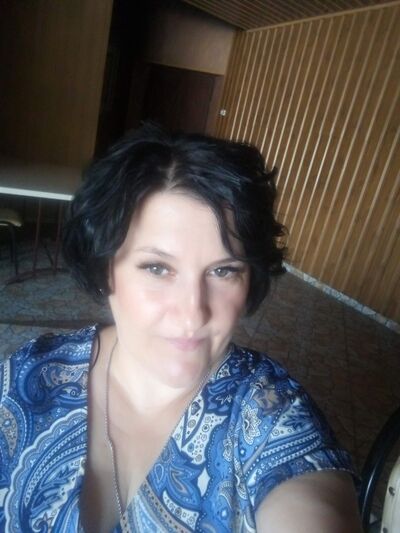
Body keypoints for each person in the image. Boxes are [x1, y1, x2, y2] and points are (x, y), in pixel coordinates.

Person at [0, 124, 362, 532]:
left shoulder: (273, 418)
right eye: (157, 268)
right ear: (106, 269)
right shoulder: (26, 379)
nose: (192, 315)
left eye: (223, 270)